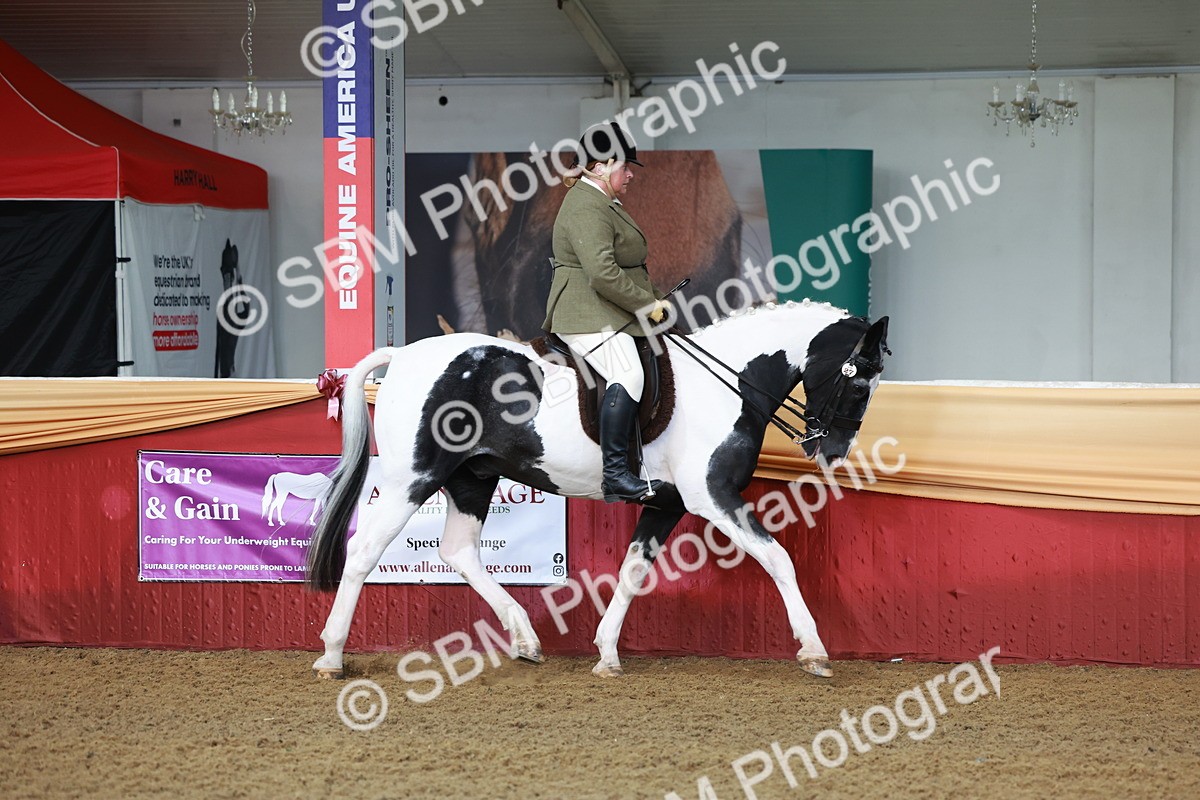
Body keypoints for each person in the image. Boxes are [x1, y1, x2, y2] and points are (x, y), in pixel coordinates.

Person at [543, 122, 672, 504]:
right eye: (624, 167)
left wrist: (659, 299)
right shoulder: (586, 205)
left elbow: (630, 267)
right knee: (628, 373)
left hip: (607, 309)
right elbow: (602, 273)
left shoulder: (603, 201)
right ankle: (615, 475)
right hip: (585, 312)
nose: (630, 174)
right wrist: (647, 305)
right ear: (600, 166)